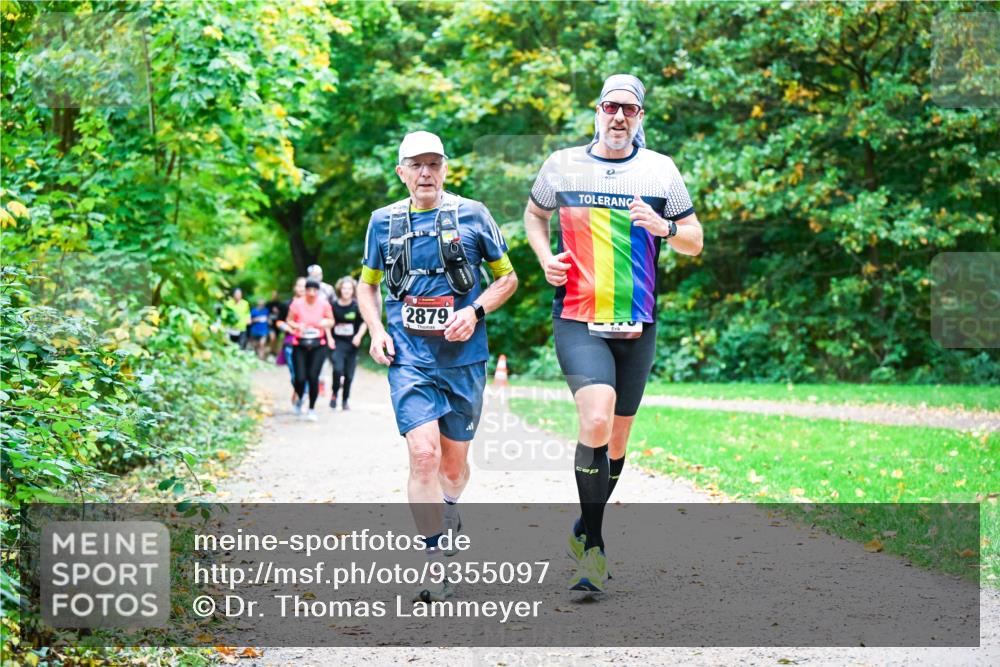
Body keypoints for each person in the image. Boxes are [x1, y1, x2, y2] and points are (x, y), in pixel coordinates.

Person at [523, 74, 703, 593]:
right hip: (578, 316)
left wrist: (663, 226)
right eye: (610, 106)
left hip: (637, 322)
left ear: (640, 116)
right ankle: (595, 549)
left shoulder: (661, 171)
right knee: (596, 418)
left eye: (629, 108)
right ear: (596, 111)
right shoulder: (561, 164)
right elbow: (535, 216)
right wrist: (544, 257)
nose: (618, 116)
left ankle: (585, 524)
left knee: (617, 438)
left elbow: (694, 241)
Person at [357, 131, 518, 603]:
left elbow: (507, 278)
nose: (426, 173)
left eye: (434, 164)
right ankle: (431, 564)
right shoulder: (382, 222)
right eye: (417, 165)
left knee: (453, 467)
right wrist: (375, 330)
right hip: (408, 358)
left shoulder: (473, 215)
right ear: (401, 171)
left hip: (463, 360)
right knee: (422, 456)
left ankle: (449, 506)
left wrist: (474, 311)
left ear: (445, 169)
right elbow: (366, 286)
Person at [329, 276, 368, 410]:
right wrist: (329, 338)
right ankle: (334, 393)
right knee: (337, 369)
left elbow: (365, 322)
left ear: (353, 290)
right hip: (337, 343)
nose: (346, 291)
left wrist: (358, 336)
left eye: (349, 288)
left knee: (349, 375)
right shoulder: (333, 305)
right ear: (340, 289)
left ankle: (345, 400)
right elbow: (328, 323)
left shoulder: (356, 306)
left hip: (352, 344)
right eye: (344, 288)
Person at [275, 278, 308, 412]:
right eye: (299, 286)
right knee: (296, 375)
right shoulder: (286, 305)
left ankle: (304, 397)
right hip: (291, 343)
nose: (301, 289)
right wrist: (288, 328)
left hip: (308, 344)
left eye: (304, 286)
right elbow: (278, 322)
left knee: (309, 374)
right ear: (295, 287)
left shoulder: (313, 305)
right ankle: (298, 392)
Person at [265, 289, 284, 357]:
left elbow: (283, 315)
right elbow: (265, 313)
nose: (274, 296)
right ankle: (268, 350)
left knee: (276, 339)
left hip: (277, 325)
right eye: (273, 295)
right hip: (270, 325)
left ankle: (272, 352)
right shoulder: (268, 304)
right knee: (272, 338)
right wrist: (267, 319)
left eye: (275, 295)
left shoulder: (281, 305)